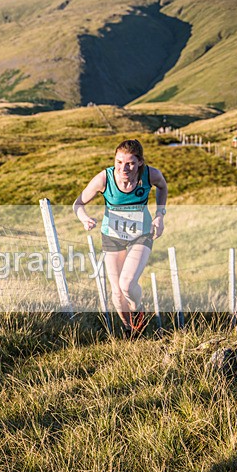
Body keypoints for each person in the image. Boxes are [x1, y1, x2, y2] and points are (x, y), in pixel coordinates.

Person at [73, 139, 168, 335]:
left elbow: (162, 187)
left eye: (130, 163)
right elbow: (78, 204)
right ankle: (130, 330)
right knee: (117, 293)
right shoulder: (104, 178)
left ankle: (138, 309)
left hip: (141, 234)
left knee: (127, 284)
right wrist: (84, 218)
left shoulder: (151, 174)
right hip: (112, 237)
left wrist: (160, 215)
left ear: (140, 162)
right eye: (118, 162)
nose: (123, 168)